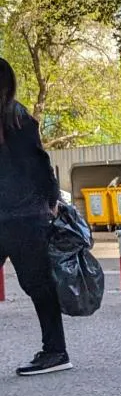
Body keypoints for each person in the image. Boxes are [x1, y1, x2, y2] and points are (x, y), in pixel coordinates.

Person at [0, 57, 69, 376]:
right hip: (11, 215)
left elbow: (39, 162)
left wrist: (52, 199)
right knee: (38, 284)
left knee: (38, 284)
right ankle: (54, 350)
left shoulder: (16, 118)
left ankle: (55, 352)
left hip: (26, 216)